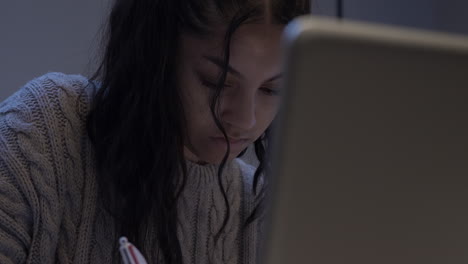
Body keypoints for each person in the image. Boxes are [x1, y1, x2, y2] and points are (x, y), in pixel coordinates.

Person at [0, 0, 309, 263]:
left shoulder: (259, 214)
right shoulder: (42, 134)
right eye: (216, 82)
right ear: (155, 55)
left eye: (272, 89)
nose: (245, 119)